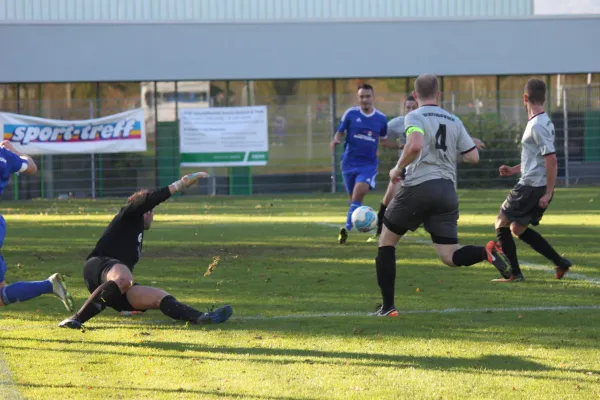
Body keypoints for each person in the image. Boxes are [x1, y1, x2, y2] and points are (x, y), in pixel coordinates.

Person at [372, 74, 511, 317]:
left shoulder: (413, 116)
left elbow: (414, 145)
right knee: (449, 255)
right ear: (439, 95)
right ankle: (484, 251)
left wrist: (398, 168)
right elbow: (473, 157)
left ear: (415, 96)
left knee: (386, 240)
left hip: (419, 187)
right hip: (447, 191)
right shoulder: (453, 119)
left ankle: (388, 307)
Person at [58, 172, 233, 329]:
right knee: (125, 279)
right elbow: (148, 200)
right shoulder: (129, 214)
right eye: (152, 210)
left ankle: (202, 317)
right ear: (146, 210)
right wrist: (181, 184)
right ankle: (76, 319)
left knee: (159, 297)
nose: (153, 215)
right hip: (97, 266)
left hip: (115, 285)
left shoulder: (135, 230)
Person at [493, 79, 572, 282]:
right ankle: (560, 263)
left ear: (525, 98)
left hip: (531, 186)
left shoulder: (537, 125)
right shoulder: (542, 121)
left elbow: (551, 159)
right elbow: (537, 159)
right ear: (544, 98)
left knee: (501, 223)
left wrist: (548, 192)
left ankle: (514, 274)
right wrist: (513, 170)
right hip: (533, 183)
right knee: (517, 229)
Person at [0, 140, 74, 312]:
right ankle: (50, 285)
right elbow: (31, 166)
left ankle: (49, 286)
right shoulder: (5, 156)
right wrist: (14, 150)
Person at [330, 83, 395, 244]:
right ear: (358, 98)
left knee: (358, 194)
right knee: (353, 200)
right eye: (361, 97)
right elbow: (339, 132)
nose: (365, 100)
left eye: (367, 96)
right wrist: (336, 139)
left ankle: (346, 228)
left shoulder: (380, 118)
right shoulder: (350, 114)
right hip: (349, 163)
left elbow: (383, 140)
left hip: (368, 166)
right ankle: (352, 221)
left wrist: (399, 145)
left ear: (373, 97)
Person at [367, 95, 419, 242]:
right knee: (388, 199)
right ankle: (378, 232)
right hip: (403, 167)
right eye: (407, 107)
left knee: (413, 202)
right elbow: (382, 137)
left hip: (420, 168)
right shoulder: (397, 123)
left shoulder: (424, 123)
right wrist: (397, 145)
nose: (410, 110)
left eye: (413, 107)